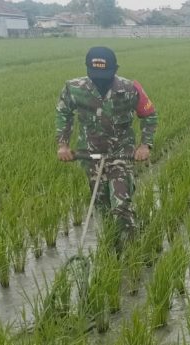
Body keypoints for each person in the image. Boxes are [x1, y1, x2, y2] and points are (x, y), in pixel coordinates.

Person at [56, 46, 158, 248]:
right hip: (90, 155)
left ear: (115, 69)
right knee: (102, 205)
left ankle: (131, 249)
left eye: (105, 75)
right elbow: (63, 113)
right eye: (96, 75)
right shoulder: (73, 88)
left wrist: (145, 145)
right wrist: (63, 145)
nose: (100, 79)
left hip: (121, 154)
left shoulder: (130, 88)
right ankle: (112, 248)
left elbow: (149, 115)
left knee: (121, 204)